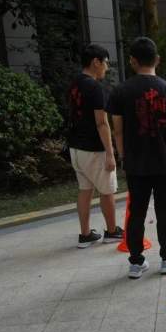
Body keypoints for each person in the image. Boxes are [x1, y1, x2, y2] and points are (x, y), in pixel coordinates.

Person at [108, 37, 166, 279]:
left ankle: (136, 263)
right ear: (157, 60)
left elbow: (117, 130)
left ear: (132, 61)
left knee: (136, 212)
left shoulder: (120, 91)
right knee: (165, 212)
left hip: (136, 164)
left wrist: (124, 156)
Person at [67, 44, 123, 248]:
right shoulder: (95, 87)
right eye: (105, 62)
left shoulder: (74, 84)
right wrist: (110, 153)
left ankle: (85, 235)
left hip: (76, 147)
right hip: (93, 148)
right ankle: (112, 232)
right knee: (107, 191)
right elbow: (101, 122)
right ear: (95, 62)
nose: (106, 67)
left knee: (85, 190)